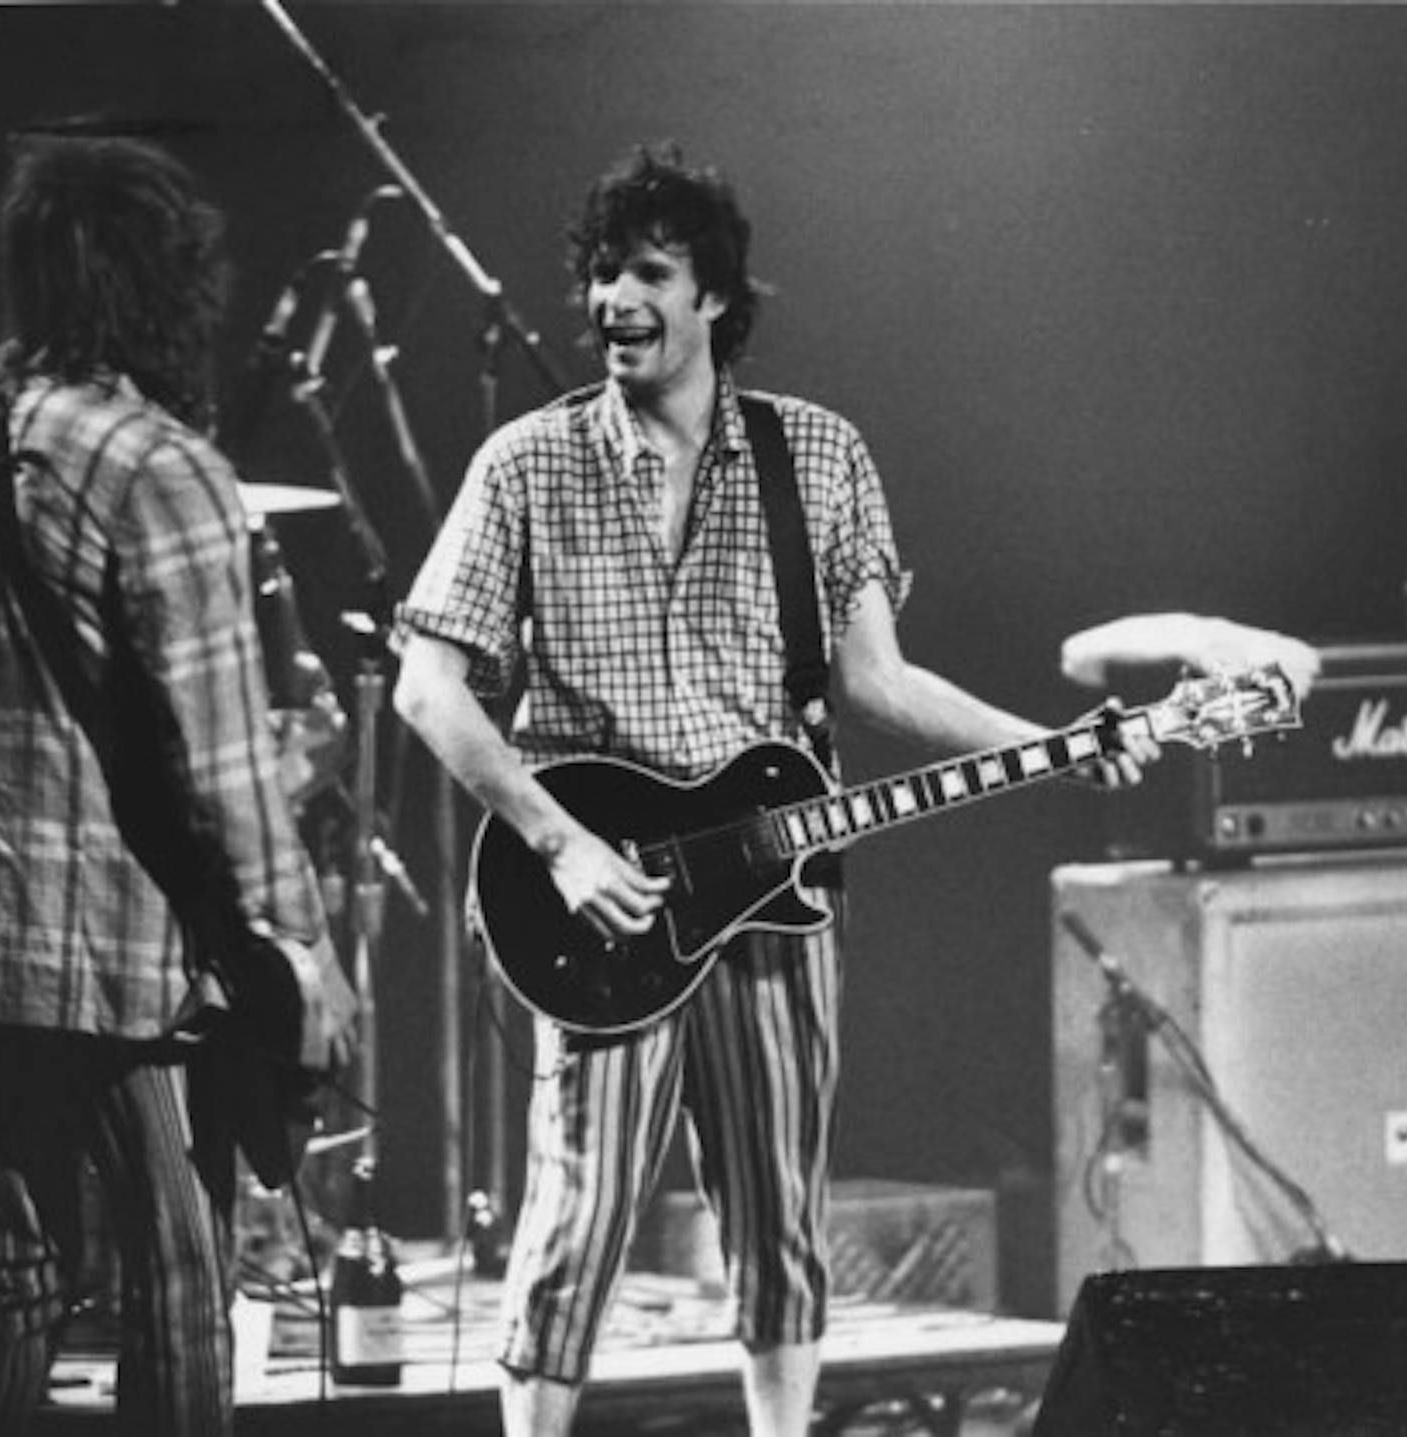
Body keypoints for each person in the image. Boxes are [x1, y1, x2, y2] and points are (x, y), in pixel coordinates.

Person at [391, 143, 1157, 1437]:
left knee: (779, 1217)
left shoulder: (816, 456)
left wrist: (1065, 740)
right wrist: (562, 842)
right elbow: (426, 685)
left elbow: (882, 682)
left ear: (713, 299)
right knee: (577, 1221)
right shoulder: (528, 464)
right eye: (597, 274)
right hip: (607, 895)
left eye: (645, 273)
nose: (611, 301)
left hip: (779, 888)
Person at [0, 135, 357, 1433]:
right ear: (165, 285)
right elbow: (225, 765)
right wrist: (302, 953)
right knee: (179, 1284)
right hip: (105, 950)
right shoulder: (159, 465)